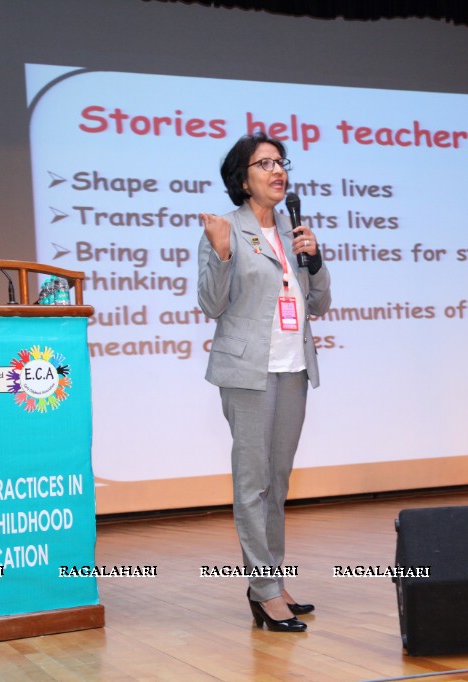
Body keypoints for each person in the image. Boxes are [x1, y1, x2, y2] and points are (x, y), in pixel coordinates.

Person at [197, 132, 331, 632]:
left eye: (281, 162)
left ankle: (271, 580)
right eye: (264, 164)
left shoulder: (293, 229)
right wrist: (223, 255)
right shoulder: (224, 227)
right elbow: (211, 303)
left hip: (293, 367)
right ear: (242, 178)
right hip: (248, 371)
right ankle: (264, 590)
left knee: (277, 483)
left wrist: (314, 262)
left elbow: (318, 304)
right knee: (252, 483)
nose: (278, 171)